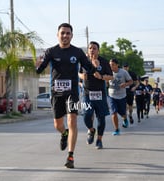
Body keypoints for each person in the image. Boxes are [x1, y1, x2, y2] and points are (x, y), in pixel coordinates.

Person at [35, 23, 101, 168]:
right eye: (62, 33)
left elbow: (89, 69)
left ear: (72, 35)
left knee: (72, 121)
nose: (65, 35)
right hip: (56, 92)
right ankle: (64, 134)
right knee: (58, 124)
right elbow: (39, 70)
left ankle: (70, 156)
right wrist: (37, 64)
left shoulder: (77, 52)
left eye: (68, 33)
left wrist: (95, 66)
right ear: (58, 35)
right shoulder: (51, 51)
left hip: (72, 92)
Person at [79, 41, 113, 149]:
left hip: (100, 93)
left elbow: (111, 77)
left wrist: (102, 77)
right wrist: (82, 76)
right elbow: (78, 73)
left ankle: (99, 140)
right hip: (87, 93)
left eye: (94, 48)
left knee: (101, 118)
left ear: (98, 50)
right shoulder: (84, 61)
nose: (92, 50)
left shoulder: (103, 62)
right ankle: (91, 129)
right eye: (90, 48)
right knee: (86, 114)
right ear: (87, 50)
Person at [108, 59, 133, 135]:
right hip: (112, 96)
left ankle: (125, 119)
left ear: (117, 65)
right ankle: (116, 129)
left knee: (123, 113)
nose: (111, 66)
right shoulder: (108, 71)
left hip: (122, 96)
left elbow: (131, 81)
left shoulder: (123, 72)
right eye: (110, 64)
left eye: (112, 64)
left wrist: (125, 85)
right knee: (114, 112)